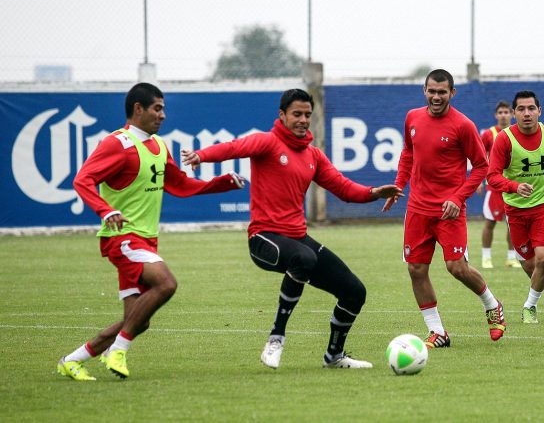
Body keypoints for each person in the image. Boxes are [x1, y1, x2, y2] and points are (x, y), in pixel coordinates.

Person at [182, 89, 401, 370]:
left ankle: (334, 356)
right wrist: (201, 156)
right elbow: (234, 147)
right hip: (264, 240)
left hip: (297, 240)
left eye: (308, 115)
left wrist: (374, 192)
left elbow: (344, 188)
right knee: (304, 258)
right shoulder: (267, 142)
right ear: (282, 115)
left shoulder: (313, 155)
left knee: (355, 291)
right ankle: (276, 338)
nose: (303, 120)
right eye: (297, 114)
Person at [58, 83, 245, 381]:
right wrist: (106, 211)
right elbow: (83, 180)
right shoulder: (116, 144)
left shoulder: (159, 146)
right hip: (121, 238)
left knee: (138, 320)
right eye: (157, 108)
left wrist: (221, 183)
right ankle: (117, 350)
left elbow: (180, 185)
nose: (163, 115)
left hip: (145, 240)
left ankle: (73, 359)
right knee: (166, 284)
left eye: (163, 108)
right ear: (138, 109)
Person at [383, 69, 506, 349]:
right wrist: (398, 186)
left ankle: (493, 305)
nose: (436, 97)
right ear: (424, 91)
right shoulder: (412, 118)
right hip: (417, 209)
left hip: (449, 210)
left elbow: (481, 166)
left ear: (452, 93)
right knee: (416, 269)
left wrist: (458, 197)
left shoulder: (463, 125)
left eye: (442, 92)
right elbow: (408, 153)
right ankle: (437, 332)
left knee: (457, 267)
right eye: (431, 91)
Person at [486, 90, 544, 324]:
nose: (527, 113)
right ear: (514, 113)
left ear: (539, 111)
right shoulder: (504, 139)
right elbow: (492, 176)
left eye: (531, 108)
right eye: (521, 109)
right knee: (529, 264)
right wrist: (514, 186)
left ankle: (529, 306)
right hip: (515, 209)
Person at [477, 100, 521, 269]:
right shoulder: (488, 134)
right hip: (494, 186)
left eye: (506, 112)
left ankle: (511, 258)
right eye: (500, 112)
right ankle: (486, 257)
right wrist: (479, 180)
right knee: (490, 222)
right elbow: (479, 158)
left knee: (512, 223)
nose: (503, 115)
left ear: (511, 114)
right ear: (496, 115)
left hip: (513, 186)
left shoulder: (518, 133)